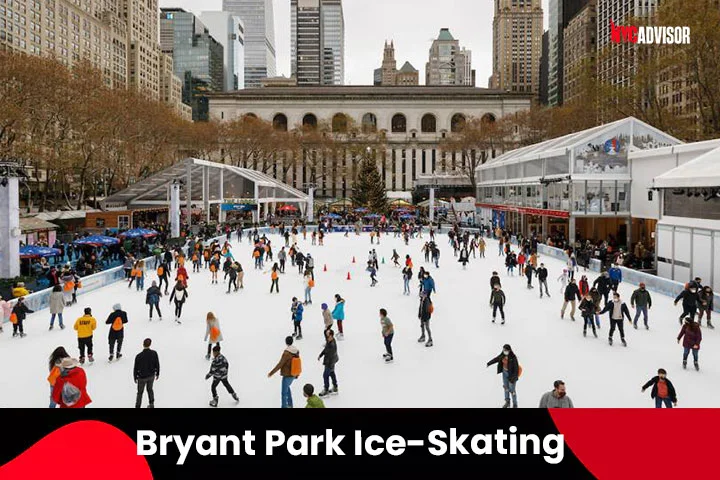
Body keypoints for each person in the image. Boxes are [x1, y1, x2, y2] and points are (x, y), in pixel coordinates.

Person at [267, 336, 301, 408]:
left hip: (287, 375)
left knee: (283, 393)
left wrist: (271, 373)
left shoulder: (286, 353)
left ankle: (284, 406)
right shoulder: (296, 351)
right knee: (287, 389)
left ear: (286, 342)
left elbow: (280, 364)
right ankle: (290, 404)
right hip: (293, 374)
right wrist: (297, 374)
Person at [486, 344, 519, 408]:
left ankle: (515, 404)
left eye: (506, 350)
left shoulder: (513, 357)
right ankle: (507, 402)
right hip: (504, 373)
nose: (504, 351)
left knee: (512, 390)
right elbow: (496, 359)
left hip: (511, 375)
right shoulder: (502, 355)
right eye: (503, 350)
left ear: (509, 350)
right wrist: (489, 363)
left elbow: (516, 369)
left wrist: (513, 378)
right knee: (506, 388)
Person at [133, 338, 160, 408]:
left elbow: (135, 368)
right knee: (150, 389)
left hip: (142, 377)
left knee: (140, 393)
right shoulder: (154, 353)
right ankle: (151, 403)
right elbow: (157, 363)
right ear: (150, 344)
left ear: (143, 344)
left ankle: (138, 406)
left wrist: (135, 377)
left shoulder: (139, 356)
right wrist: (157, 373)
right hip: (151, 376)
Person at [317, 329, 339, 397]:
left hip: (330, 362)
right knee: (332, 373)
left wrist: (328, 365)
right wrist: (320, 355)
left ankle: (326, 389)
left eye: (327, 334)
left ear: (331, 335)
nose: (326, 336)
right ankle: (335, 387)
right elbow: (325, 349)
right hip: (331, 361)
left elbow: (329, 355)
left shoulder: (332, 345)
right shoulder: (329, 340)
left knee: (325, 375)